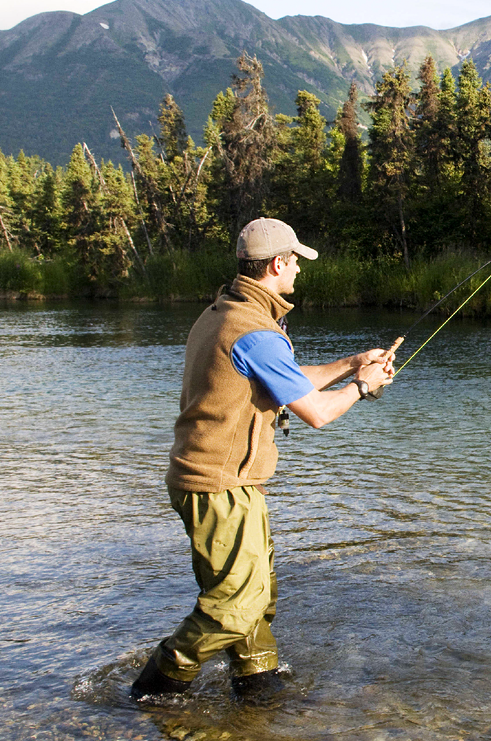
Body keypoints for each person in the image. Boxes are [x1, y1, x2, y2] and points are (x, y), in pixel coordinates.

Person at [131, 217, 394, 701]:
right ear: (277, 264)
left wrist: (350, 363)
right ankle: (155, 690)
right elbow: (315, 413)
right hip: (218, 485)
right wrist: (362, 387)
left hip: (220, 480)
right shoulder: (254, 331)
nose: (298, 270)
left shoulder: (225, 312)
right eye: (294, 261)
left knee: (256, 592)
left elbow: (284, 379)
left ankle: (258, 687)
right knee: (237, 600)